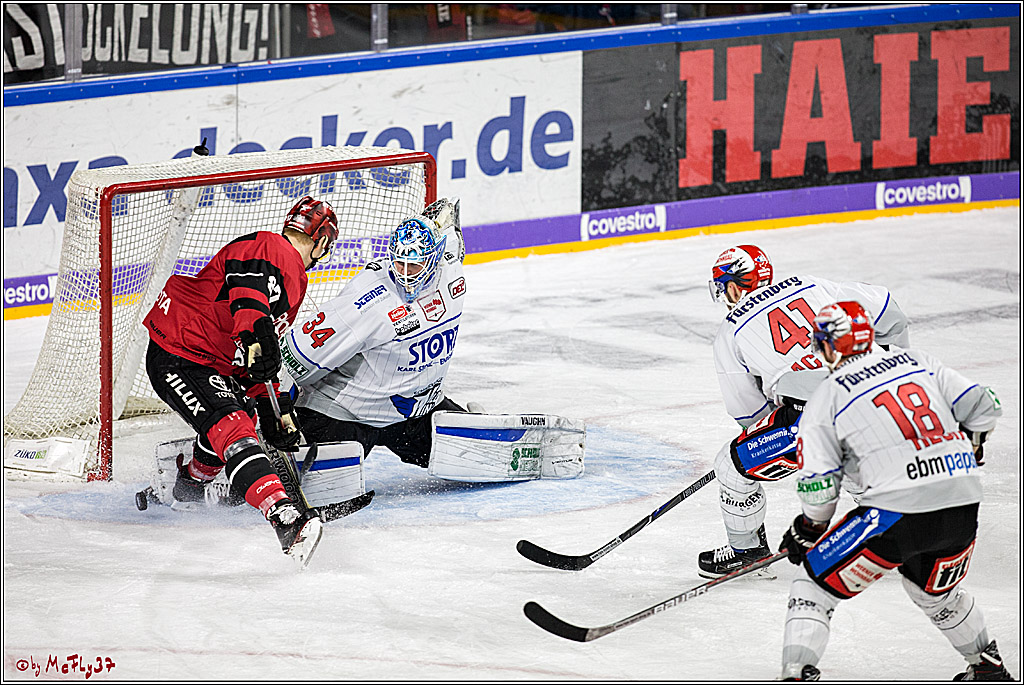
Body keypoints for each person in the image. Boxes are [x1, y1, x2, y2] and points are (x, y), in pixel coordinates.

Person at [777, 301, 1009, 681]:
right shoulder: (918, 361)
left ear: (830, 347)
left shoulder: (828, 394)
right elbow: (985, 404)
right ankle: (987, 666)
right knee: (933, 592)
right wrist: (973, 445)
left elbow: (820, 484)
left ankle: (795, 673)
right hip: (962, 506)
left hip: (896, 513)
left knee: (812, 585)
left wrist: (809, 529)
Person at [142, 195, 339, 565]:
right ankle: (285, 519)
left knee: (244, 416)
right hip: (182, 353)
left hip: (210, 359)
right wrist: (254, 330)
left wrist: (272, 407)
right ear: (323, 242)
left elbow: (259, 355)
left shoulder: (291, 274)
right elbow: (247, 285)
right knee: (232, 426)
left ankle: (188, 487)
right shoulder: (271, 247)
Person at [697, 245, 911, 578]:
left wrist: (766, 444)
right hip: (878, 400)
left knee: (731, 466)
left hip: (812, 418)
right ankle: (901, 530)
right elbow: (888, 309)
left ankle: (746, 552)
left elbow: (750, 414)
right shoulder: (810, 284)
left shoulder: (731, 330)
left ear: (736, 287)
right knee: (856, 463)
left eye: (724, 288)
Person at [280, 197, 473, 467]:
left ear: (434, 260)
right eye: (399, 263)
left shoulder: (451, 270)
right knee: (317, 479)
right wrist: (276, 409)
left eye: (414, 265)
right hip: (348, 414)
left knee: (471, 456)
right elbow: (294, 356)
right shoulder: (365, 301)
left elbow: (449, 227)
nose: (405, 274)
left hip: (414, 413)